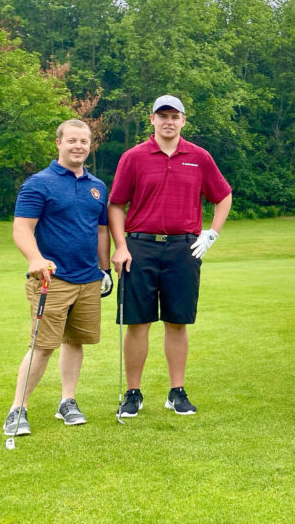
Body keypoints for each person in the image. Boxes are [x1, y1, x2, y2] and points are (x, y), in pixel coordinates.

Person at [108, 95, 232, 417]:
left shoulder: (199, 157)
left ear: (183, 120)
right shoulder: (133, 157)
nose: (169, 121)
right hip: (140, 247)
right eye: (163, 115)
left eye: (174, 116)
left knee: (177, 322)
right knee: (138, 323)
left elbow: (223, 196)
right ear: (152, 119)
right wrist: (120, 246)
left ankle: (176, 392)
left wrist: (212, 233)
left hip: (183, 248)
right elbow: (116, 204)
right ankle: (133, 393)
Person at [3, 119, 110, 437]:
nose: (78, 146)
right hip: (53, 279)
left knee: (75, 342)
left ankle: (67, 401)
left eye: (84, 141)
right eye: (72, 140)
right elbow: (22, 228)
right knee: (43, 345)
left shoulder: (97, 186)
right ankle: (17, 409)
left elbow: (101, 231)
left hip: (88, 279)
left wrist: (105, 270)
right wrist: (35, 259)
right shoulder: (39, 183)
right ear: (59, 144)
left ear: (90, 145)